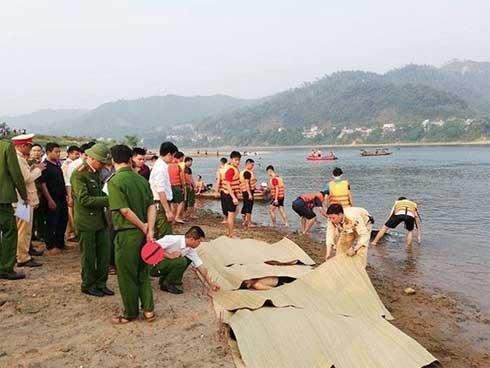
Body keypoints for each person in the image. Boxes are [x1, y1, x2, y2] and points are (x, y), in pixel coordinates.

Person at [108, 144, 156, 324]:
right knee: (143, 272)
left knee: (127, 275)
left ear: (113, 161)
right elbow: (152, 205)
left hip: (127, 234)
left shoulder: (115, 181)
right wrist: (149, 229)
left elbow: (125, 211)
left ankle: (130, 313)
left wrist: (143, 227)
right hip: (144, 235)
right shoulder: (141, 180)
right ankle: (149, 310)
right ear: (130, 159)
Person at [71, 143, 113, 297]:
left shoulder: (95, 172)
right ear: (92, 158)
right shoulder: (79, 174)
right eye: (101, 162)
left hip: (100, 220)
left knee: (104, 255)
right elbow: (84, 200)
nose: (103, 165)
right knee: (89, 256)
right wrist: (109, 200)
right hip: (86, 222)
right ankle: (88, 284)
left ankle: (101, 283)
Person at [151, 226, 219, 294]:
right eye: (199, 241)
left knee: (187, 259)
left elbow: (199, 265)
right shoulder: (173, 239)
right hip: (152, 266)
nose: (199, 244)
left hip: (163, 264)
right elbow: (152, 247)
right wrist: (169, 255)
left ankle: (167, 280)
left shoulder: (190, 249)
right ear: (192, 239)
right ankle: (167, 284)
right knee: (181, 261)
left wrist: (211, 283)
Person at [12, 134, 46, 268]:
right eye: (29, 146)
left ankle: (20, 254)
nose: (31, 149)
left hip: (22, 199)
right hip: (23, 200)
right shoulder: (18, 159)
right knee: (23, 229)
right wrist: (38, 169)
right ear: (22, 146)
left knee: (22, 229)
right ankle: (22, 256)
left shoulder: (19, 158)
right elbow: (26, 178)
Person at [0, 140, 28, 280]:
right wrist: (23, 194)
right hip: (2, 199)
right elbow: (15, 173)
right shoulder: (5, 146)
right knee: (10, 231)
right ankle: (5, 268)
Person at [40, 143, 69, 255]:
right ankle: (50, 245)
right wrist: (49, 199)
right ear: (48, 152)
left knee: (63, 219)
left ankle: (60, 243)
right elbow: (43, 184)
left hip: (61, 197)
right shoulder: (45, 166)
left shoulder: (57, 165)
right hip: (52, 197)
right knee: (52, 222)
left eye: (59, 151)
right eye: (56, 152)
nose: (58, 154)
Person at [149, 142, 178, 239]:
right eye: (173, 156)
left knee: (160, 233)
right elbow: (160, 191)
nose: (173, 159)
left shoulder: (161, 166)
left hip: (160, 203)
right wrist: (167, 210)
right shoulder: (160, 169)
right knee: (164, 235)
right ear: (169, 154)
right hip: (160, 204)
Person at [62, 145, 81, 242]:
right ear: (69, 154)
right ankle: (70, 234)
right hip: (69, 191)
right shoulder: (67, 164)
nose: (78, 156)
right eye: (76, 154)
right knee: (71, 215)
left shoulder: (73, 163)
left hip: (70, 192)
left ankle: (72, 233)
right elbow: (67, 180)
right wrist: (68, 195)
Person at [222, 151, 242, 237]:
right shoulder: (230, 169)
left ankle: (230, 231)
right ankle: (231, 233)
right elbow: (228, 184)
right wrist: (233, 197)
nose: (237, 162)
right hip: (229, 194)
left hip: (229, 193)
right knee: (231, 214)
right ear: (231, 159)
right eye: (236, 160)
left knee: (235, 211)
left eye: (239, 160)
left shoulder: (233, 168)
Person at [168, 151, 186, 223]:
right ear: (180, 158)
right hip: (177, 185)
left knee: (172, 203)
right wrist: (183, 187)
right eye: (182, 158)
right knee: (181, 202)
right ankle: (177, 216)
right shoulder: (178, 166)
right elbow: (182, 178)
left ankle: (173, 219)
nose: (182, 160)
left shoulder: (167, 166)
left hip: (169, 186)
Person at [240, 158, 257, 227]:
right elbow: (247, 184)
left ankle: (244, 221)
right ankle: (249, 223)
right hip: (248, 191)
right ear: (248, 163)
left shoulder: (243, 172)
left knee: (245, 206)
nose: (252, 167)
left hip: (244, 191)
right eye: (252, 165)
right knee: (249, 207)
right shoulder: (247, 172)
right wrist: (250, 194)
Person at [215, 157, 228, 223]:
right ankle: (230, 218)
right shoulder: (229, 169)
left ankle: (225, 219)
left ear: (221, 162)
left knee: (224, 204)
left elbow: (218, 181)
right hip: (230, 189)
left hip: (223, 189)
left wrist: (216, 191)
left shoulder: (220, 170)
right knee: (229, 205)